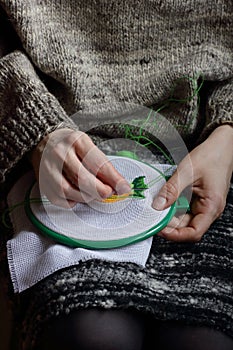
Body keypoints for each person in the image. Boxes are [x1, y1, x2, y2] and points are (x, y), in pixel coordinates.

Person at [0, 1, 233, 349]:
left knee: (202, 339)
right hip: (56, 163)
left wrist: (228, 132)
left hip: (206, 161)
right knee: (92, 335)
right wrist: (37, 127)